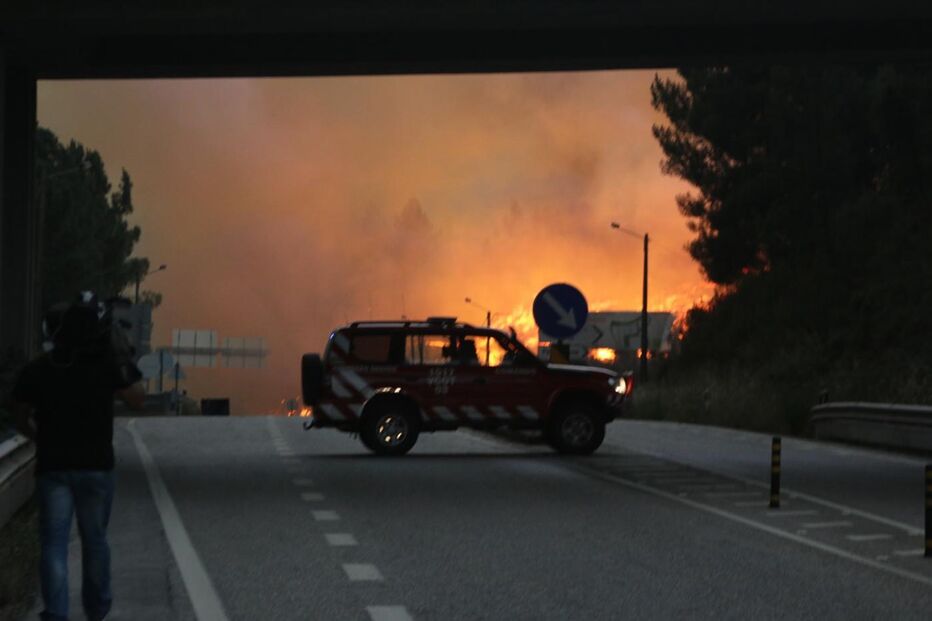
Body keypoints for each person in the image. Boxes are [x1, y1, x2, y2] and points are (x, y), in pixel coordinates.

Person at [10, 296, 144, 621]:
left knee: (53, 544)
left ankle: (56, 614)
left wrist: (41, 438)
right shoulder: (104, 364)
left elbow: (20, 416)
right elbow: (138, 398)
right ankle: (96, 609)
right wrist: (119, 353)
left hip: (53, 467)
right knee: (94, 541)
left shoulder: (40, 368)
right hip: (96, 467)